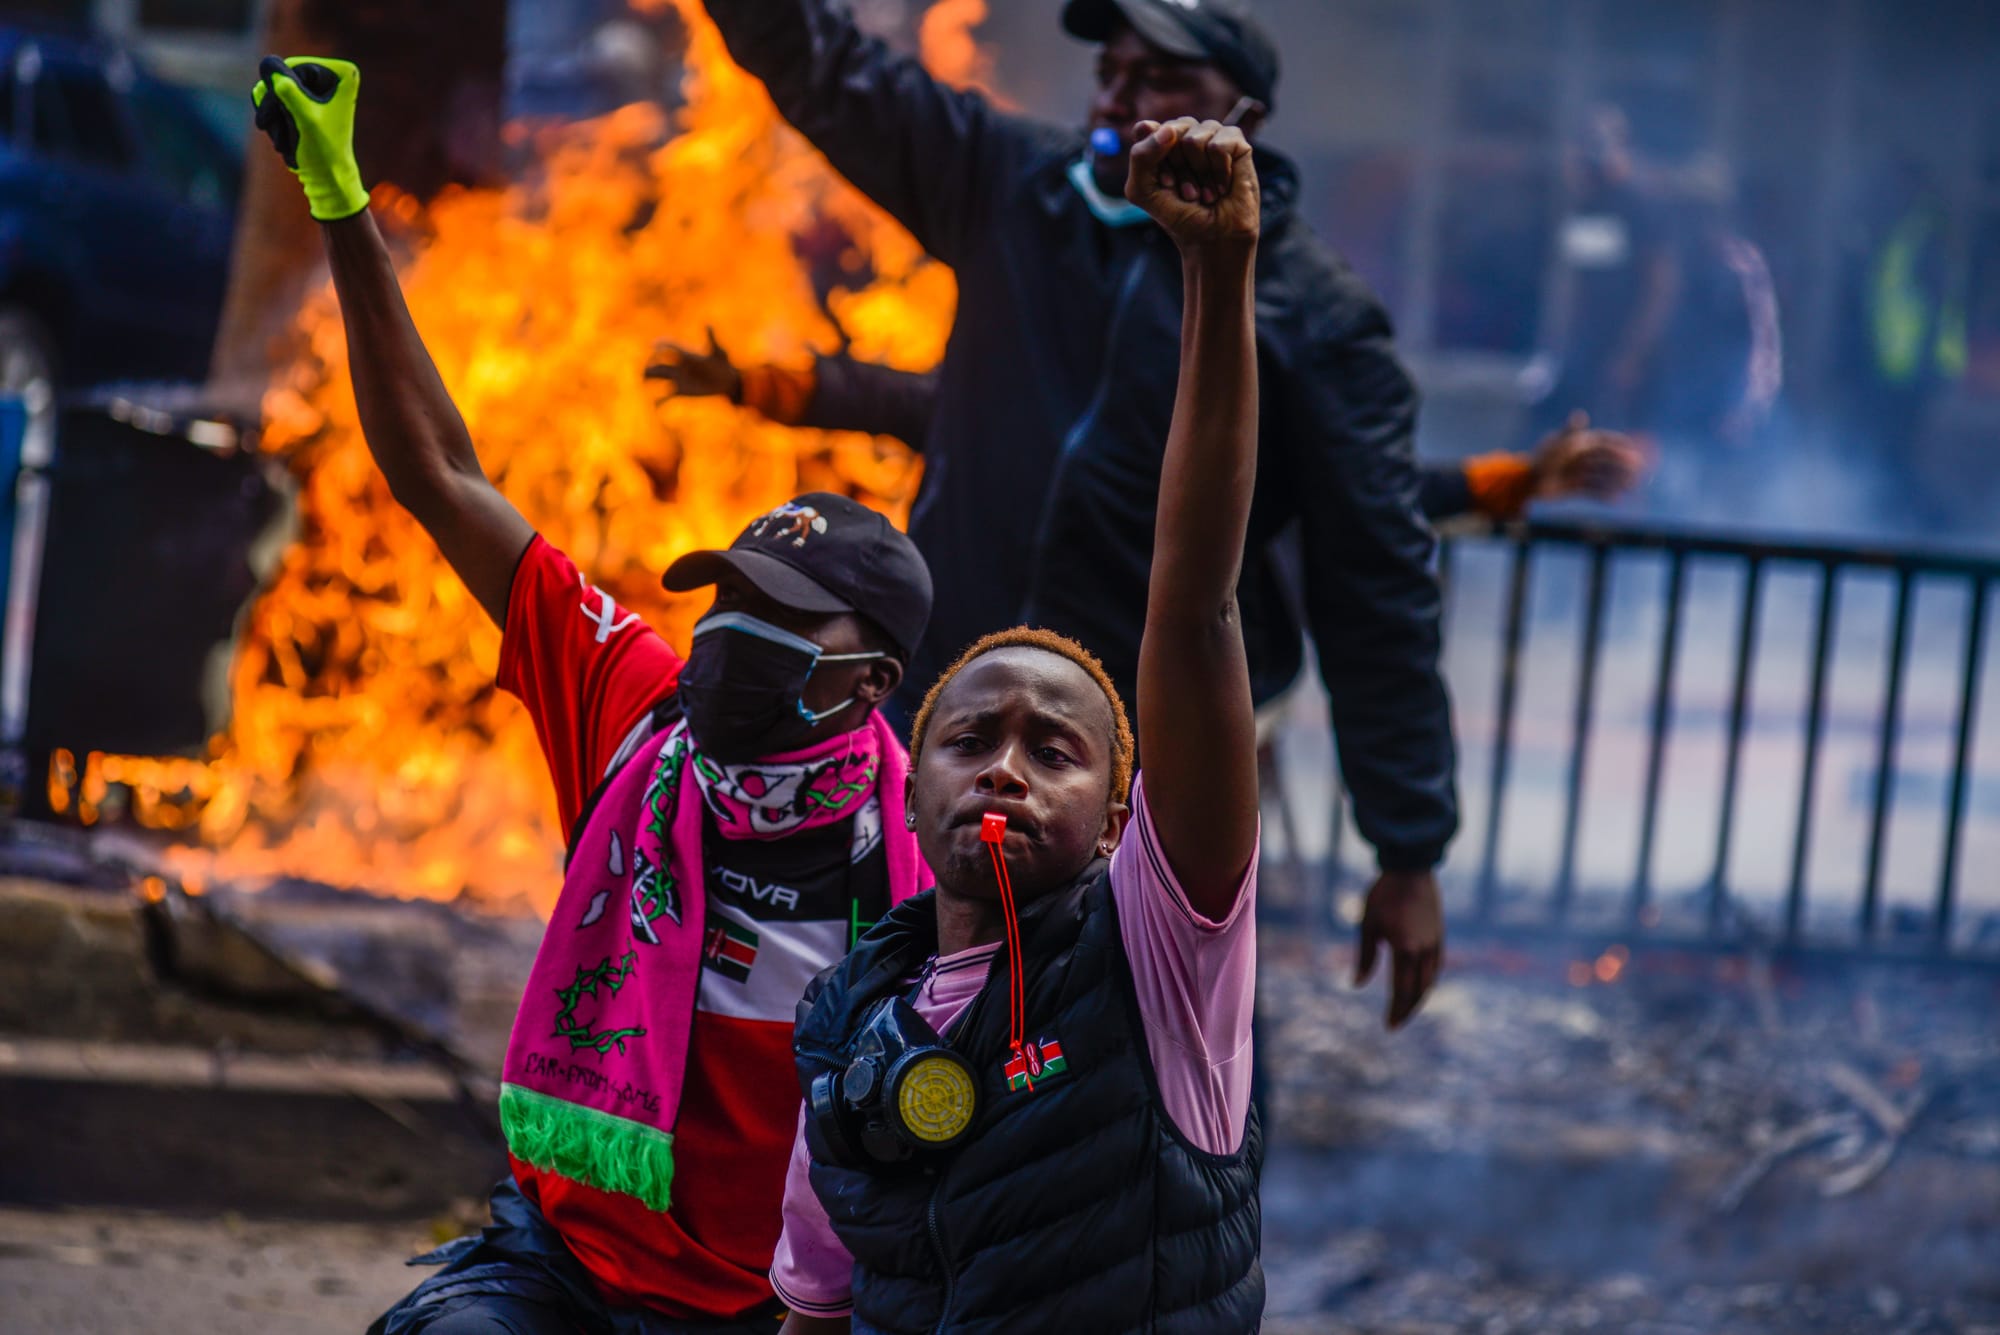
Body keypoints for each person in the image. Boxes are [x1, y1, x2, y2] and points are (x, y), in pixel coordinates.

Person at [251, 57, 935, 1334]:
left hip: (787, 1311)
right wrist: (341, 201)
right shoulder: (639, 710)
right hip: (567, 1270)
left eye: (780, 622)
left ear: (871, 683)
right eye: (724, 601)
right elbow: (439, 471)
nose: (729, 638)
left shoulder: (930, 850)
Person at [701, 0, 1453, 1025]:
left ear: (1243, 113)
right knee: (897, 1025)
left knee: (1140, 1046)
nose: (1118, 100)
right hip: (946, 723)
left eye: (1159, 81)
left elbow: (1376, 587)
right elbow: (824, 67)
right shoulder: (1013, 188)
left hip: (1137, 780)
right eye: (1111, 70)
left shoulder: (1310, 316)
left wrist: (1406, 848)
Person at [773, 113, 1267, 1334]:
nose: (1003, 767)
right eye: (967, 740)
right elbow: (815, 1307)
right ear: (910, 787)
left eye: (1054, 750)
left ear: (1117, 818)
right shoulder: (847, 1025)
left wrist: (1215, 275)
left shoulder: (1161, 957)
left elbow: (1194, 607)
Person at [646, 339, 1647, 524]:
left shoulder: (1222, 454)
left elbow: (1379, 488)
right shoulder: (1019, 409)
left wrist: (1520, 475)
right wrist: (743, 379)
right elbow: (879, 396)